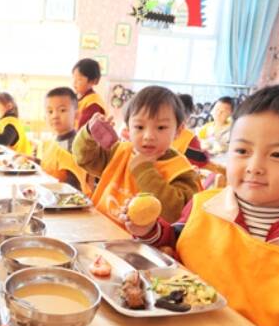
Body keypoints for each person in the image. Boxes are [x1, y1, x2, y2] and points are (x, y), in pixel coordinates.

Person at [122, 84, 279, 326]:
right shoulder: (203, 206)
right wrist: (148, 229)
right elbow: (175, 244)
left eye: (278, 155)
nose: (254, 167)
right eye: (242, 151)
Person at [73, 86, 200, 223]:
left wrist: (144, 170)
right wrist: (88, 133)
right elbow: (84, 159)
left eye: (161, 127)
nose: (149, 136)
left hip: (141, 243)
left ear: (178, 131)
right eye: (139, 127)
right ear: (127, 128)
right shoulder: (119, 151)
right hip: (99, 231)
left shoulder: (180, 169)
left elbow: (176, 213)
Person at [17, 87, 91, 194]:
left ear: (76, 115)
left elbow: (73, 186)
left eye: (62, 110)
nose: (55, 116)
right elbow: (54, 167)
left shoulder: (77, 145)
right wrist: (34, 160)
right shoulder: (52, 141)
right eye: (50, 111)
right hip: (49, 194)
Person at [173, 93, 210, 168]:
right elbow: (200, 161)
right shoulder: (189, 138)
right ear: (188, 115)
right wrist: (206, 153)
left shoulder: (158, 131)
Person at [72, 58, 106, 129]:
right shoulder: (76, 97)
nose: (74, 82)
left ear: (93, 81)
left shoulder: (94, 103)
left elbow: (84, 129)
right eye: (73, 78)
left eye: (79, 79)